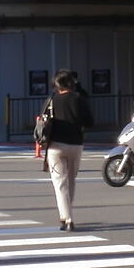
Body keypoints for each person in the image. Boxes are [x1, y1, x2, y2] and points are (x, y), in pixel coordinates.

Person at [35, 69, 91, 231]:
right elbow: (90, 121)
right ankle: (67, 215)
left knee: (60, 183)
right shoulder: (79, 100)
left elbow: (42, 121)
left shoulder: (51, 100)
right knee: (71, 180)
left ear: (57, 85)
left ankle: (67, 218)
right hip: (76, 144)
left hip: (56, 145)